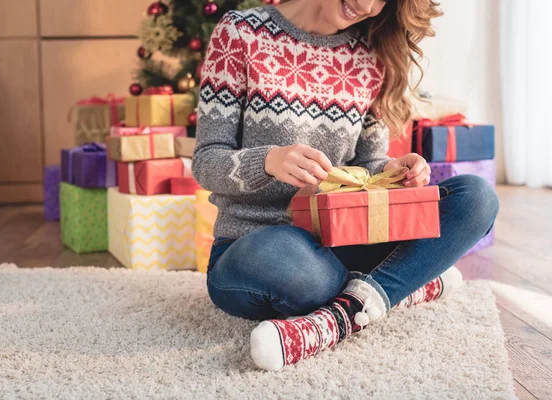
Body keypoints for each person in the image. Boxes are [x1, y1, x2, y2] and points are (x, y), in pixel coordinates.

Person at [192, 0, 499, 371]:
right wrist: (269, 160)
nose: (367, 5)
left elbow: (367, 166)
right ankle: (405, 285)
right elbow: (206, 160)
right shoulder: (240, 33)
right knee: (295, 266)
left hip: (344, 240)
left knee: (476, 198)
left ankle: (343, 314)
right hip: (256, 246)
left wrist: (394, 170)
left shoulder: (369, 56)